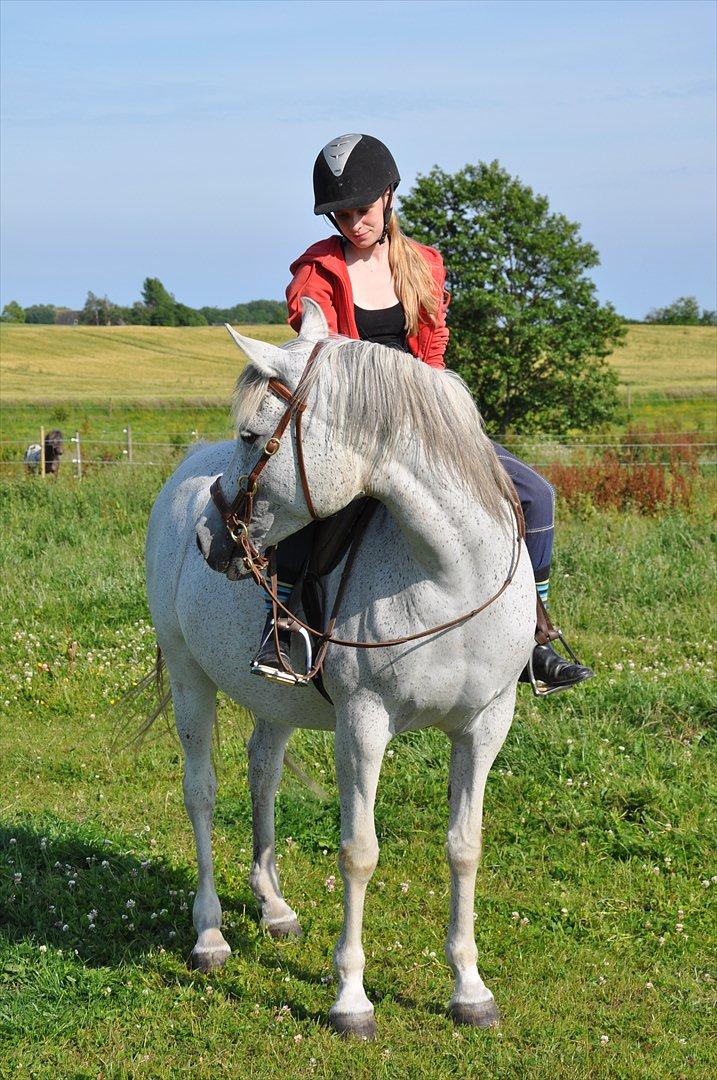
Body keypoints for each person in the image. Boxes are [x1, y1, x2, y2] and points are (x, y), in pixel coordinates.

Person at [251, 133, 593, 695]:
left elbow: (431, 357)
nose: (351, 222)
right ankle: (283, 625)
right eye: (339, 214)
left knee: (535, 495)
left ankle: (535, 637)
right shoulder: (316, 272)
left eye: (361, 209)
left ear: (389, 197)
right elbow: (322, 353)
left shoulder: (424, 266)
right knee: (311, 499)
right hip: (353, 426)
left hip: (423, 422)